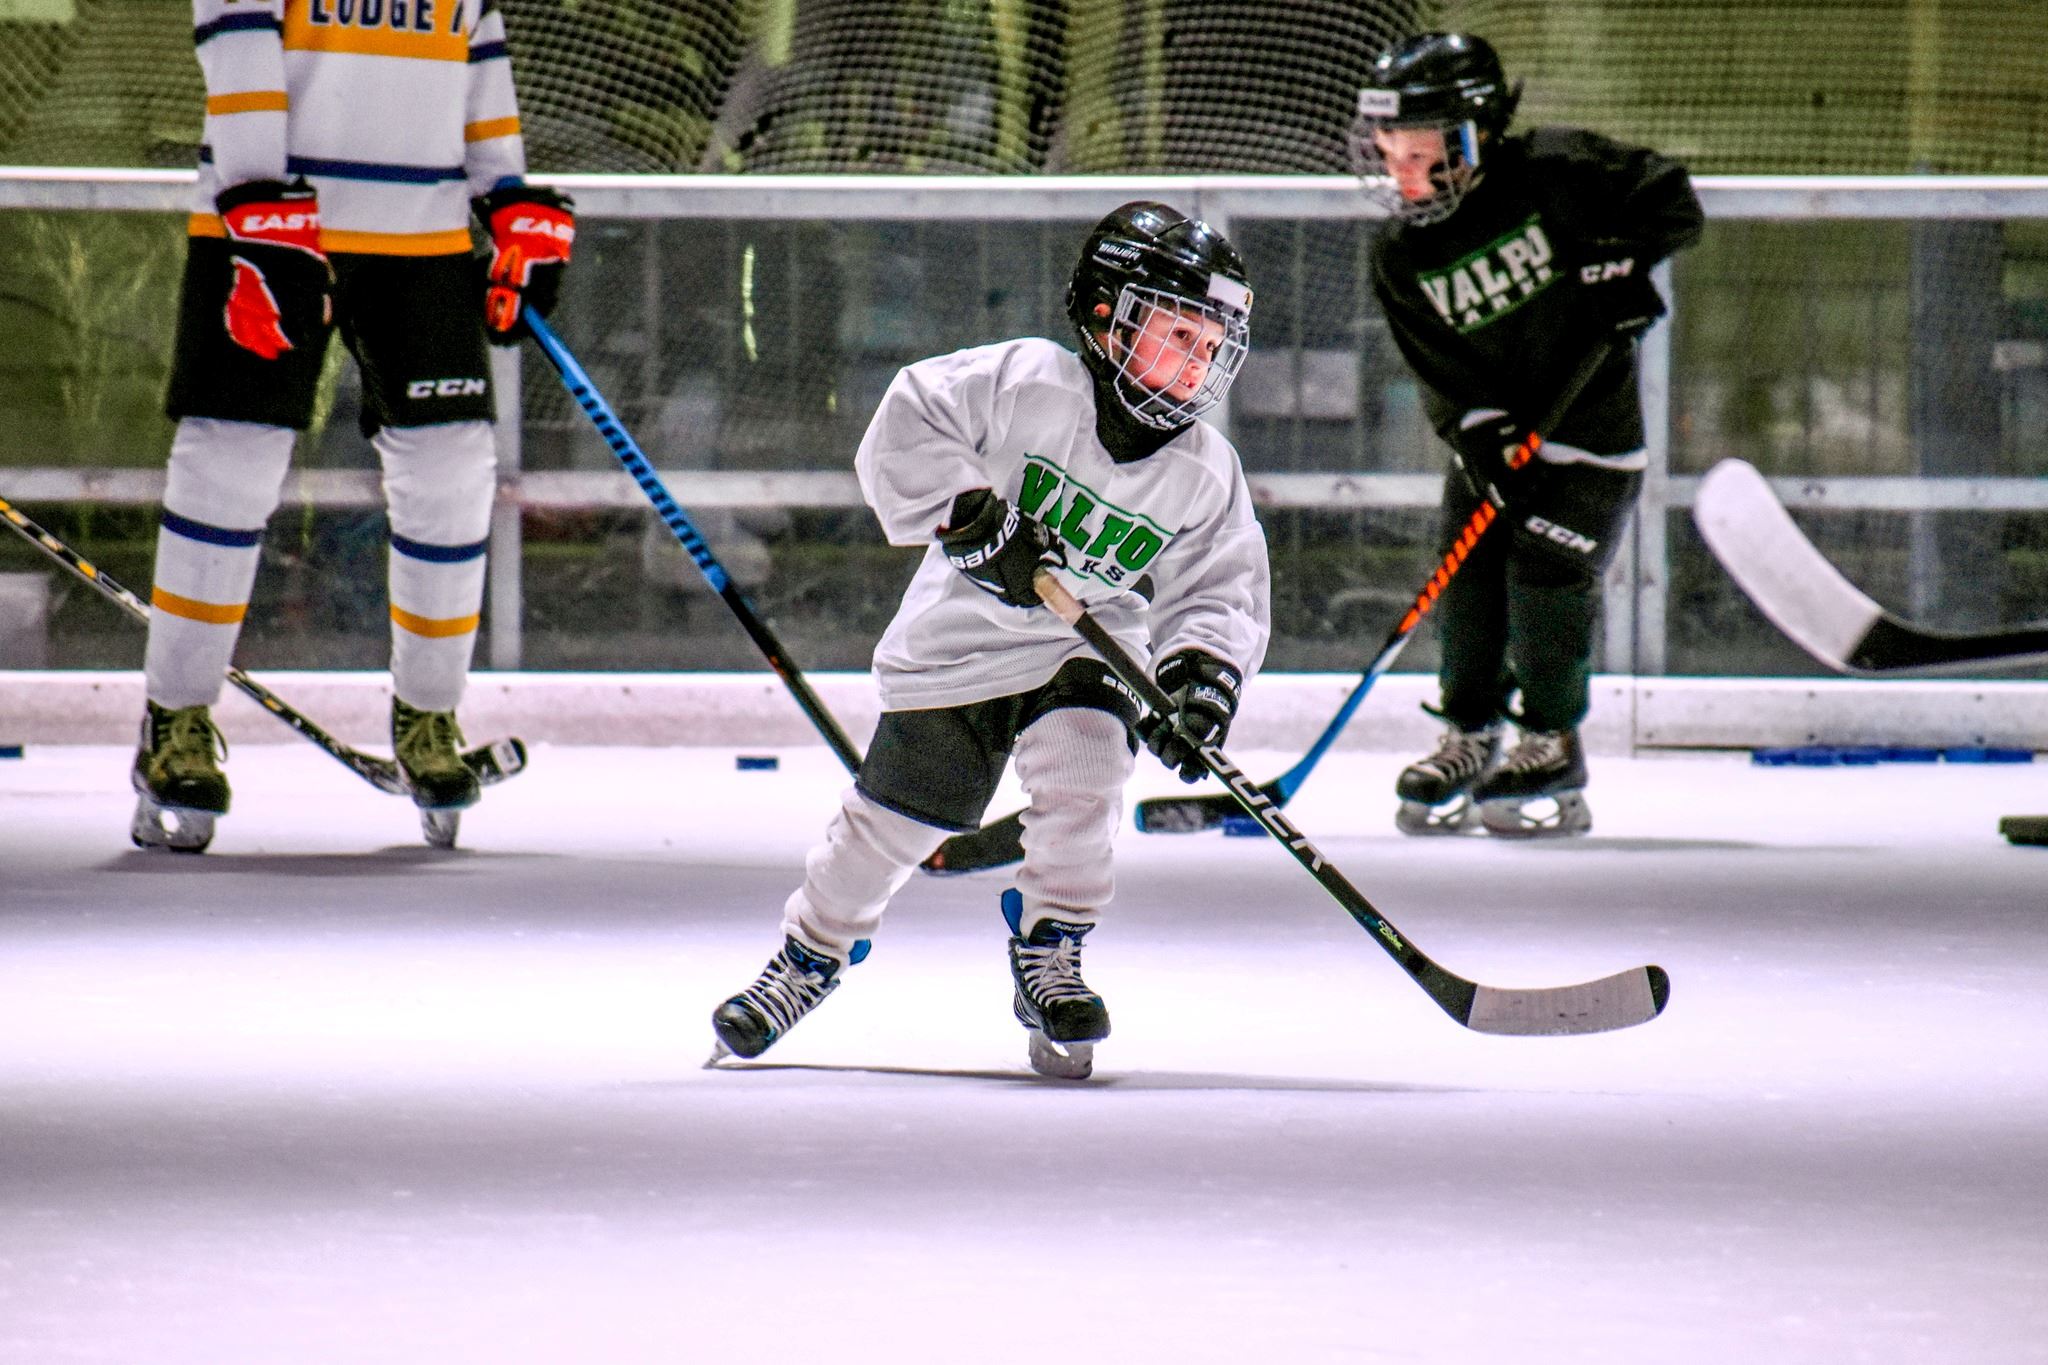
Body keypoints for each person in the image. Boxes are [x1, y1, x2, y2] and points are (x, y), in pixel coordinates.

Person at [709, 202, 1269, 1079]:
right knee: (887, 827)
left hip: (1086, 645)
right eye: (1175, 334)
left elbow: (1219, 585)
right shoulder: (1028, 383)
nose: (1195, 366)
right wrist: (971, 513)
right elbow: (908, 417)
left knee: (1087, 769)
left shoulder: (1204, 468)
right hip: (960, 644)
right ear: (1103, 318)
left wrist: (1200, 682)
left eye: (1210, 347)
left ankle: (1053, 950)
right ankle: (809, 955)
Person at [130, 0, 574, 852]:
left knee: (453, 468)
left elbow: (476, 53)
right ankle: (175, 719)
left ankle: (430, 716)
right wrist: (256, 188)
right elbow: (237, 35)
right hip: (267, 221)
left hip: (425, 235)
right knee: (231, 457)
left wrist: (506, 192)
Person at [1353, 32, 1703, 838]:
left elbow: (1672, 201)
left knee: (1546, 586)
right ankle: (1470, 734)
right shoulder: (1401, 252)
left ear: (1472, 135)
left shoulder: (1559, 174)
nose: (1400, 174)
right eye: (1387, 154)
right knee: (1466, 583)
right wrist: (1484, 440)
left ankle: (1551, 740)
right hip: (1495, 448)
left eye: (1418, 154)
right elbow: (1440, 370)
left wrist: (1622, 262)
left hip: (1590, 444)